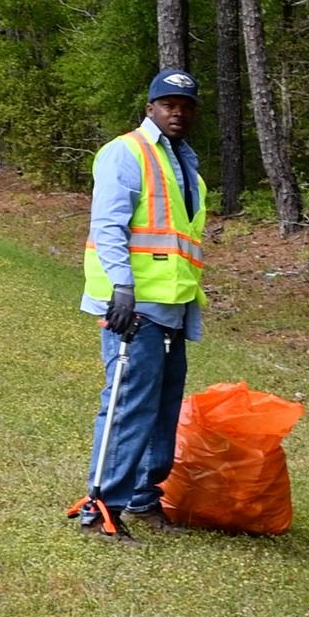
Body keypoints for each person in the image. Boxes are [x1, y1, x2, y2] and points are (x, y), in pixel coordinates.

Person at [77, 68, 207, 546]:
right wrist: (122, 288)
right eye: (169, 103)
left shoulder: (184, 162)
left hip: (173, 308)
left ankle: (143, 497)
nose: (178, 111)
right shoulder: (125, 152)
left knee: (163, 409)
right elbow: (108, 226)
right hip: (135, 309)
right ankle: (101, 509)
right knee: (129, 406)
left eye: (186, 105)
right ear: (150, 107)